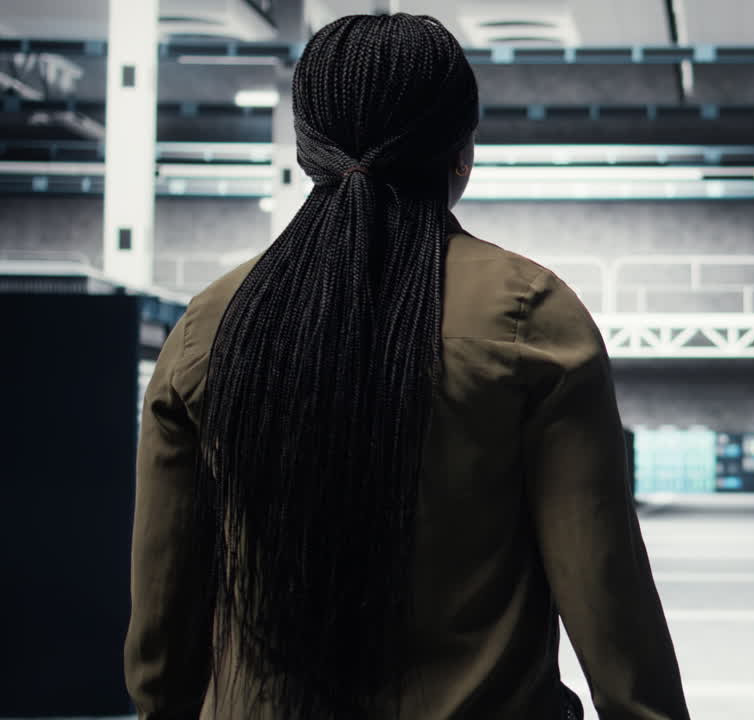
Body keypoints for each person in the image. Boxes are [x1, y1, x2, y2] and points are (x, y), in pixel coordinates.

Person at [125, 13, 688, 720]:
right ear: (462, 154)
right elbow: (609, 609)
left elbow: (162, 629)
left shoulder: (210, 325)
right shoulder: (531, 317)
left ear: (307, 151)